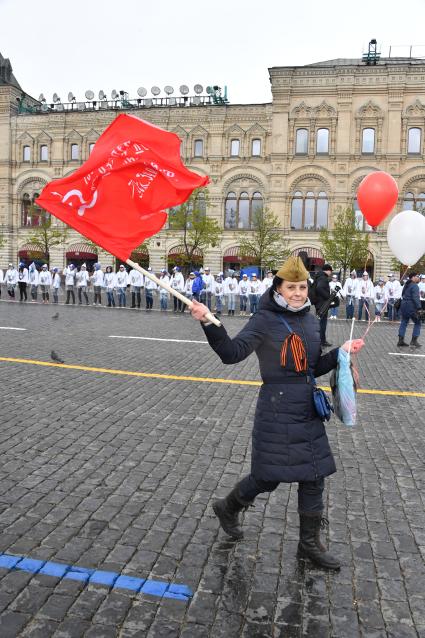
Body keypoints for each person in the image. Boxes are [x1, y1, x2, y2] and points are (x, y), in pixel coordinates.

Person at [190, 256, 364, 570]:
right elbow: (231, 353)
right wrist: (207, 321)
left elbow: (312, 367)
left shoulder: (309, 319)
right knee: (267, 477)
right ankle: (227, 507)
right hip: (278, 408)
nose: (298, 293)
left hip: (307, 409)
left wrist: (341, 352)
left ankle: (308, 544)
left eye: (302, 287)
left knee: (314, 475)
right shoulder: (265, 319)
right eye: (291, 287)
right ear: (279, 289)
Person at [397, 272, 422, 348]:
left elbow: (402, 295)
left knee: (404, 322)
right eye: (417, 276)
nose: (418, 278)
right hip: (411, 306)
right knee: (418, 322)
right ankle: (414, 341)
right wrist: (419, 308)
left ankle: (400, 341)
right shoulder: (415, 286)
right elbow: (415, 298)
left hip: (404, 305)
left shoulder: (406, 284)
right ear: (413, 277)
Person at [314, 264, 333, 347]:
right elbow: (319, 288)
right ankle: (321, 341)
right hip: (322, 304)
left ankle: (320, 340)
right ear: (328, 270)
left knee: (320, 322)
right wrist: (328, 297)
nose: (331, 273)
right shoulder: (323, 277)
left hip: (319, 303)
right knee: (322, 323)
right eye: (331, 271)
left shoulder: (319, 276)